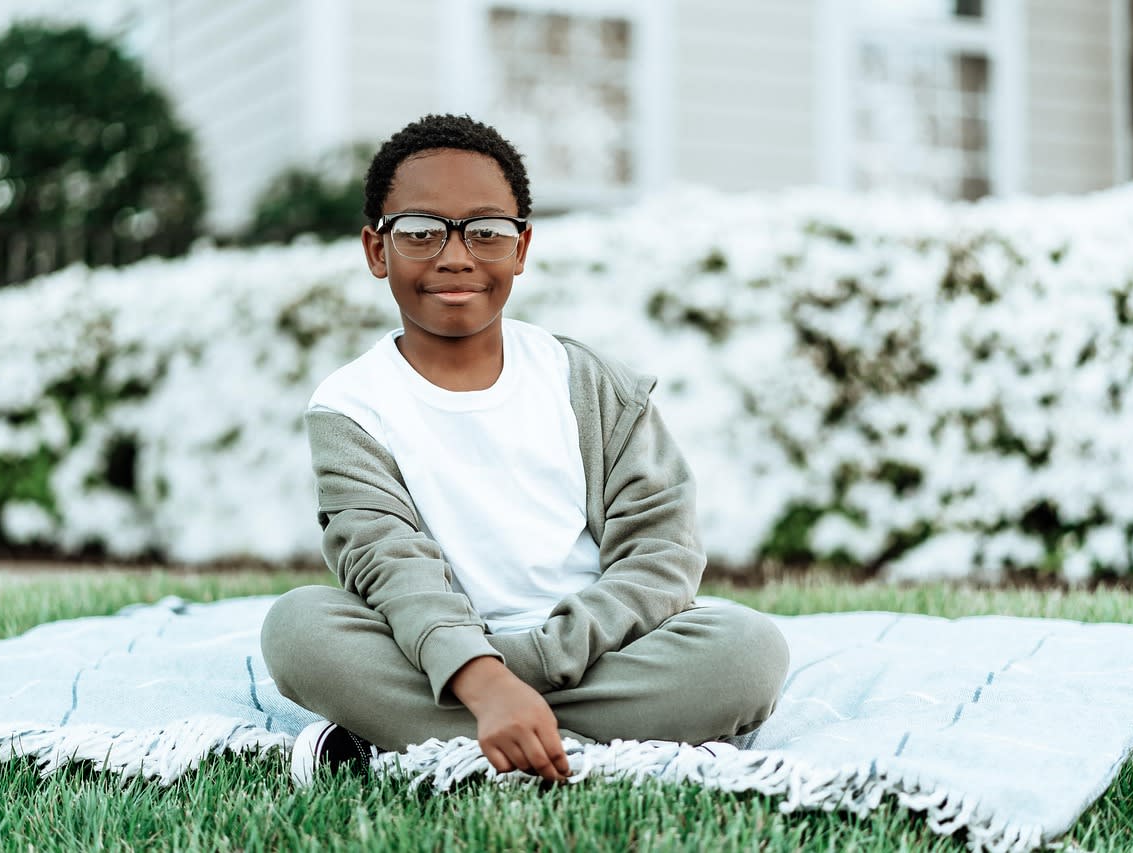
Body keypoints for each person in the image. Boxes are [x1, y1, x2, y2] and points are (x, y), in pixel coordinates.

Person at [260, 114, 789, 787]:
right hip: (430, 650)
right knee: (298, 628)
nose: (456, 256)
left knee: (747, 651)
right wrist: (474, 672)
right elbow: (388, 563)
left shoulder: (589, 384)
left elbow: (661, 554)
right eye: (420, 231)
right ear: (376, 249)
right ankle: (605, 750)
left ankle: (440, 739)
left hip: (597, 654)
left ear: (521, 247)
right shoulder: (350, 406)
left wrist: (523, 669)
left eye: (486, 231)